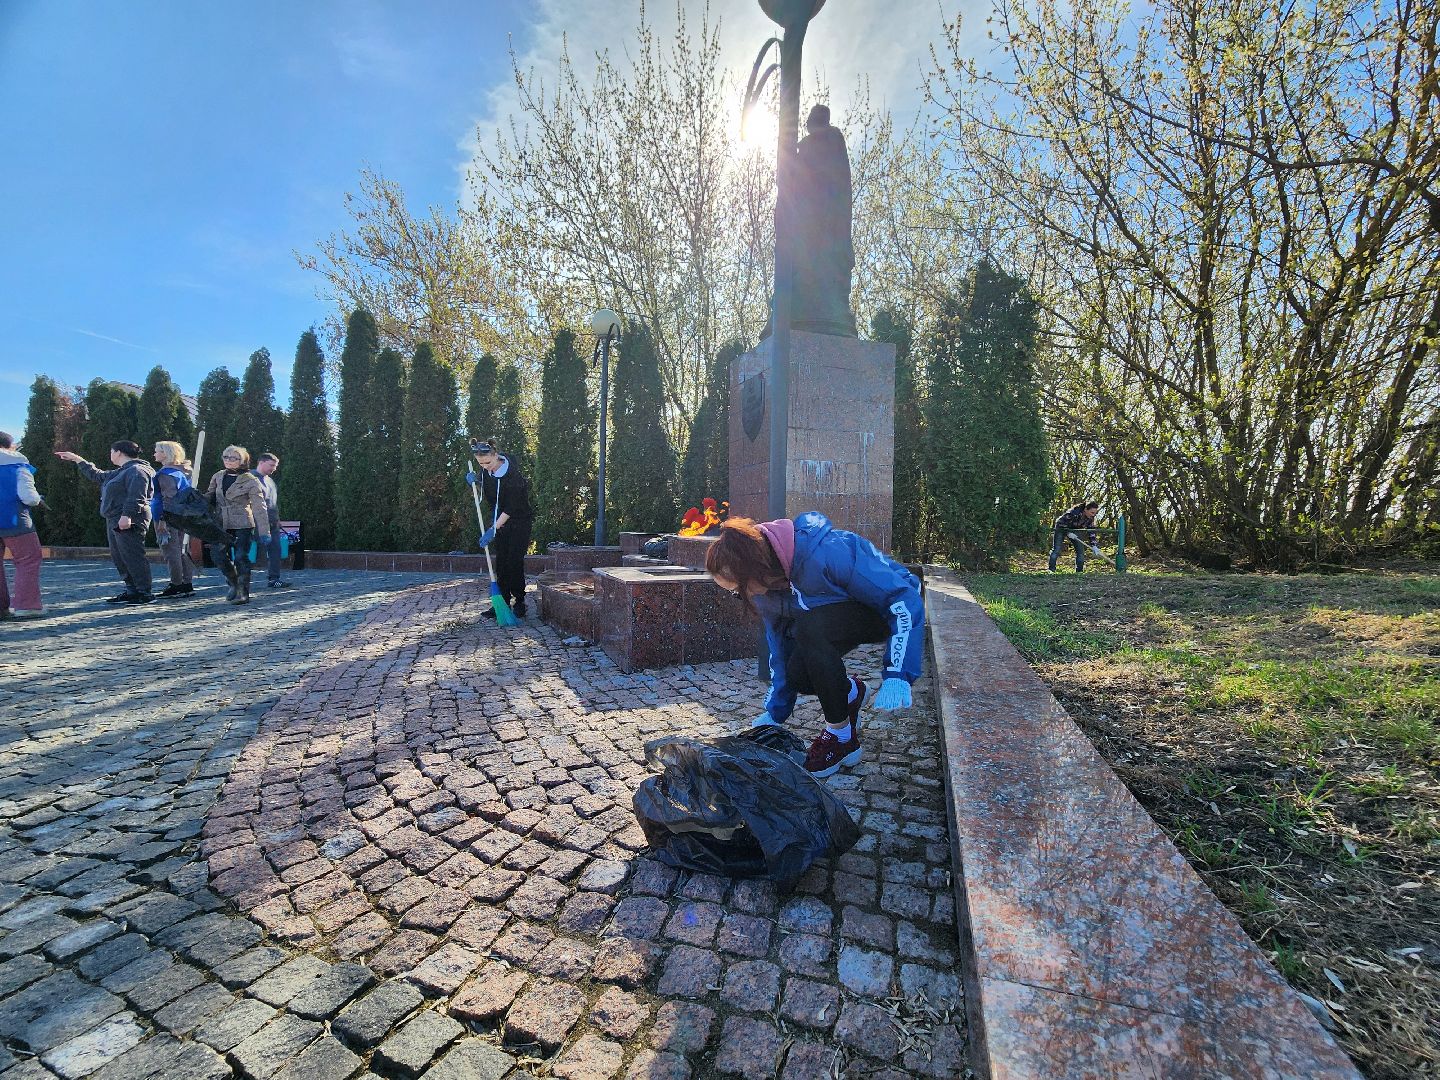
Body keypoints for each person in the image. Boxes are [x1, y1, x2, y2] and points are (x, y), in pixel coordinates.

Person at [704, 512, 925, 778]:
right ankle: (851, 693)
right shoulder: (767, 593)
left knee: (809, 628)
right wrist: (776, 712)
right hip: (831, 619)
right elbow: (779, 648)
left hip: (880, 609)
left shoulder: (828, 552)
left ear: (754, 569)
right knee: (800, 674)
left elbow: (903, 598)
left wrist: (898, 674)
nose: (740, 597)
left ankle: (841, 737)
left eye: (738, 590)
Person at [57, 441, 156, 604]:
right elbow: (97, 475)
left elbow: (137, 495)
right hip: (115, 518)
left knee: (132, 555)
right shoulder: (121, 472)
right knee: (120, 556)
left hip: (128, 518)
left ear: (118, 452)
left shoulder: (137, 470)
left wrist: (127, 515)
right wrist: (77, 459)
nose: (110, 455)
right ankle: (132, 590)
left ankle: (144, 592)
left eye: (111, 451)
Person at [466, 437, 533, 618]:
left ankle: (519, 601)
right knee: (501, 563)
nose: (485, 466)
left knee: (514, 561)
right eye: (481, 463)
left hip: (519, 521)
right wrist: (477, 483)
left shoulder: (514, 477)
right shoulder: (486, 470)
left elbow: (510, 508)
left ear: (496, 456)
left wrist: (492, 530)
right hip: (499, 522)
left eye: (488, 462)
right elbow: (492, 492)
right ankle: (501, 603)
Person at [204, 446, 270, 605]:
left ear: (242, 461)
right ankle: (233, 582)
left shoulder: (250, 480)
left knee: (241, 557)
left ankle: (243, 592)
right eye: (226, 457)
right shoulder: (218, 476)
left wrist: (264, 531)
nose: (228, 460)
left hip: (242, 523)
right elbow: (209, 497)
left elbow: (259, 506)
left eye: (233, 458)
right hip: (221, 523)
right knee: (218, 556)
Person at [0, 431, 45, 618]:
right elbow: (28, 496)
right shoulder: (17, 463)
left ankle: (2, 609)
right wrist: (38, 499)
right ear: (10, 445)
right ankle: (27, 606)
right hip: (14, 519)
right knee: (28, 559)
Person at [150, 441, 198, 598]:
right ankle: (186, 583)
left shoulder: (166, 474)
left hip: (167, 517)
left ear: (166, 453)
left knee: (172, 551)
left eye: (157, 451)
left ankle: (176, 584)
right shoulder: (182, 472)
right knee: (182, 550)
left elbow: (168, 498)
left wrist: (163, 520)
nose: (154, 454)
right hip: (181, 516)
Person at [253, 452, 289, 588]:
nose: (274, 468)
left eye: (275, 466)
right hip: (256, 522)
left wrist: (277, 519)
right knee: (250, 551)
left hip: (272, 523)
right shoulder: (250, 479)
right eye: (271, 465)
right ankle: (240, 580)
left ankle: (274, 579)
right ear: (261, 463)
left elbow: (273, 503)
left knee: (276, 550)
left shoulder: (270, 480)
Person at [1049, 501, 1100, 573]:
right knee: (1056, 550)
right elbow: (1060, 523)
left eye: (1095, 513)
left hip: (1075, 530)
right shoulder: (1073, 513)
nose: (1093, 515)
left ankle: (1079, 572)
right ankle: (1051, 570)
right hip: (1061, 529)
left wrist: (1094, 545)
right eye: (1092, 512)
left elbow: (1091, 531)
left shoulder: (1090, 518)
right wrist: (1068, 532)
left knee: (1080, 551)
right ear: (1085, 509)